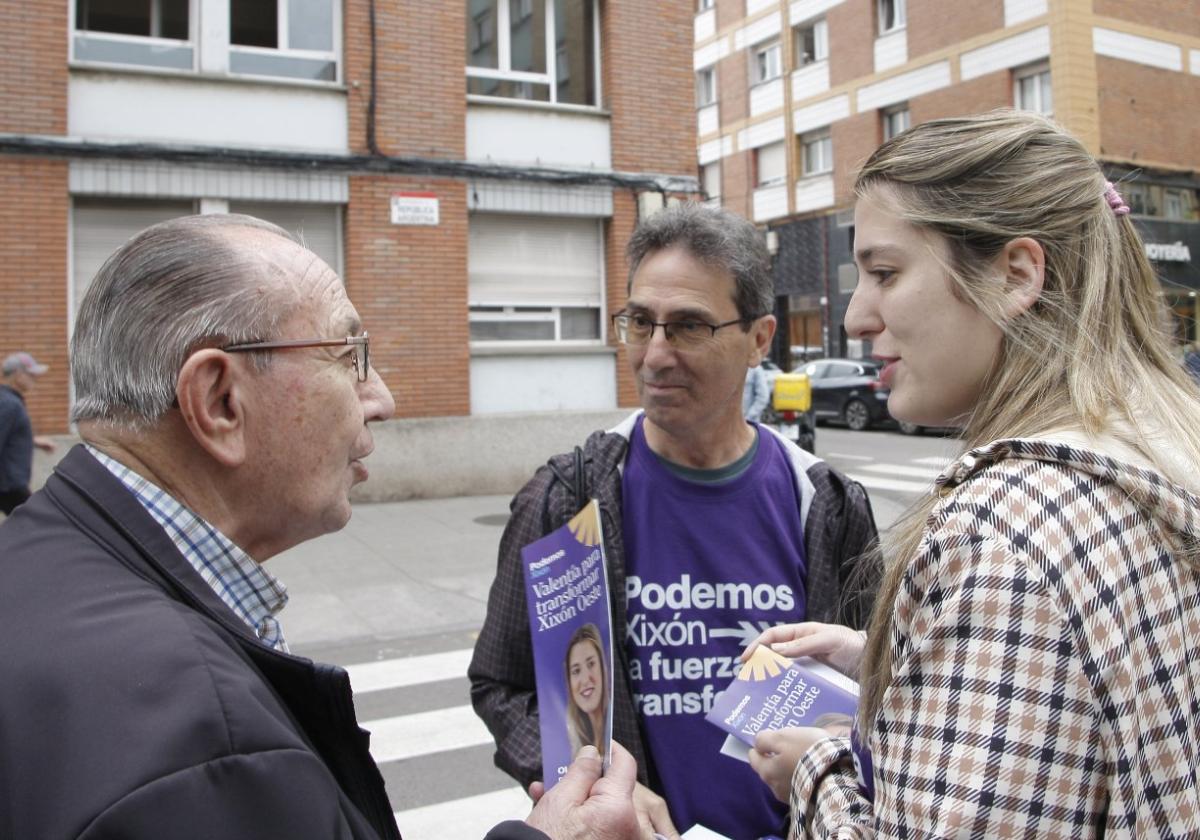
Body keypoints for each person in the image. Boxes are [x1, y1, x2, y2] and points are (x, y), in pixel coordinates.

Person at [0, 214, 638, 840]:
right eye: (349, 356)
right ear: (220, 400)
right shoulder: (203, 740)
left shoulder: (45, 557)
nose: (382, 400)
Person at [747, 110, 1200, 837]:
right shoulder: (1158, 447)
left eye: (885, 273)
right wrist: (892, 665)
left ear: (1016, 274)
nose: (858, 317)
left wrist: (816, 770)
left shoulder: (1001, 537)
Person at [470, 202, 880, 840]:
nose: (655, 355)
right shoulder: (570, 496)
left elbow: (883, 695)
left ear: (760, 339)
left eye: (688, 326)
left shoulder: (823, 503)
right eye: (640, 322)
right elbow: (504, 683)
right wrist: (598, 783)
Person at [0, 351, 57, 514]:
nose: (35, 379)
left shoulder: (9, 400)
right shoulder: (10, 404)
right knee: (35, 524)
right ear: (18, 375)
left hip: (10, 485)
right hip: (9, 486)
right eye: (31, 375)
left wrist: (33, 441)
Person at [565, 623, 610, 758]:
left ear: (603, 668)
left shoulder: (620, 729)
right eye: (576, 671)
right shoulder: (572, 740)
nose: (585, 679)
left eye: (591, 664)